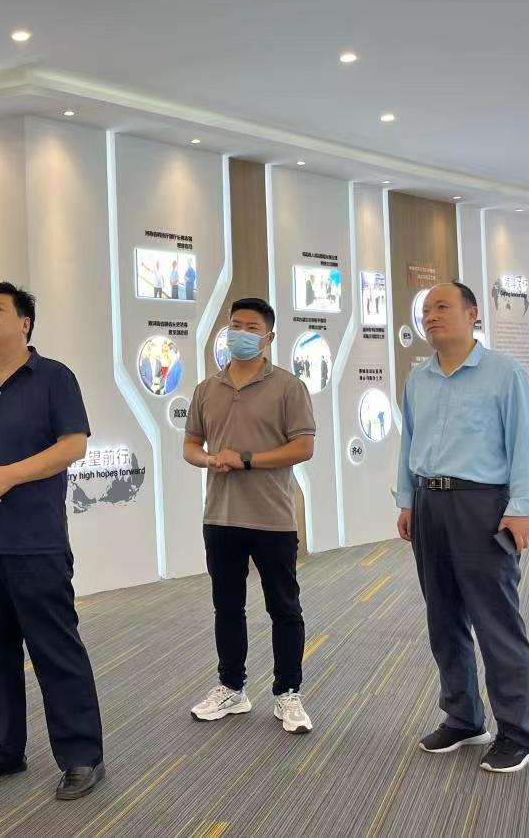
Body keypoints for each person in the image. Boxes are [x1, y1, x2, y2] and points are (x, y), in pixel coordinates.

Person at [0, 282, 105, 801]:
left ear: (24, 323)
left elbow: (73, 445)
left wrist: (9, 476)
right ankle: (3, 751)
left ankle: (82, 757)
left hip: (35, 542)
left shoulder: (54, 377)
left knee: (56, 651)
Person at [395, 282, 529, 774]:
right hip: (428, 503)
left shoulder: (505, 373)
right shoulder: (418, 379)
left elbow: (525, 444)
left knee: (495, 620)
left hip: (483, 505)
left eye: (442, 307)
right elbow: (408, 443)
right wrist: (407, 500)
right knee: (443, 617)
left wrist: (523, 507)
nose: (431, 316)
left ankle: (519, 733)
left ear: (472, 314)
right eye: (426, 310)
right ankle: (463, 718)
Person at [183, 297, 317, 736]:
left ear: (268, 337)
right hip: (220, 516)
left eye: (251, 327)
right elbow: (191, 446)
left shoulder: (288, 387)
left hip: (273, 517)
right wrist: (208, 460)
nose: (240, 333)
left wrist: (246, 459)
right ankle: (232, 688)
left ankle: (288, 693)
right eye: (235, 325)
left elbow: (303, 447)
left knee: (284, 608)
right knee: (227, 606)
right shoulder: (207, 389)